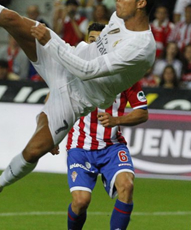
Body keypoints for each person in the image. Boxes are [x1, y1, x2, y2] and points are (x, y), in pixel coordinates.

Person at [0, 0, 156, 211]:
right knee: (13, 20)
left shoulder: (141, 47)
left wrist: (50, 42)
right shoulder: (118, 17)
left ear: (141, 3)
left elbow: (87, 71)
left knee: (34, 150)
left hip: (76, 99)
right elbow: (87, 55)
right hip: (64, 62)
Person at [64, 22, 149, 230]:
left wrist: (117, 121)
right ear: (87, 42)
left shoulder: (126, 74)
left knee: (127, 187)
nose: (97, 46)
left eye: (102, 42)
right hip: (80, 147)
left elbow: (142, 112)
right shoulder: (76, 68)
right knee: (81, 201)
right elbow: (55, 98)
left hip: (112, 146)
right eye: (93, 40)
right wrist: (52, 136)